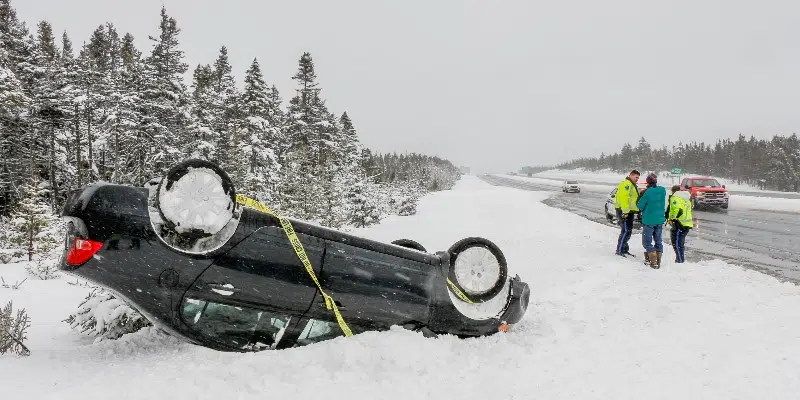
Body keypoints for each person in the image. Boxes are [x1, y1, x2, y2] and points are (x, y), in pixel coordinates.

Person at [636, 173, 666, 268]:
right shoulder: (662, 190)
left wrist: (641, 195)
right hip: (660, 219)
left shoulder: (647, 192)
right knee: (658, 240)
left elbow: (640, 206)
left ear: (647, 182)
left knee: (647, 242)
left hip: (649, 220)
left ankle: (653, 261)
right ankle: (658, 259)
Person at [614, 169, 641, 257]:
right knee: (625, 231)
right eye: (636, 177)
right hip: (624, 211)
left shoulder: (632, 184)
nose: (637, 179)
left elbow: (632, 199)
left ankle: (625, 249)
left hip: (629, 211)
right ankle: (620, 250)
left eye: (638, 177)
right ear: (631, 175)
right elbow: (624, 198)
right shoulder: (626, 184)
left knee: (628, 231)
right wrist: (625, 212)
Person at [666, 185, 693, 263]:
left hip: (679, 224)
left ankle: (680, 261)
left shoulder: (676, 198)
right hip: (686, 224)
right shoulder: (685, 198)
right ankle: (679, 259)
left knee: (677, 244)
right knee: (680, 243)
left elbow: (678, 210)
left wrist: (672, 219)